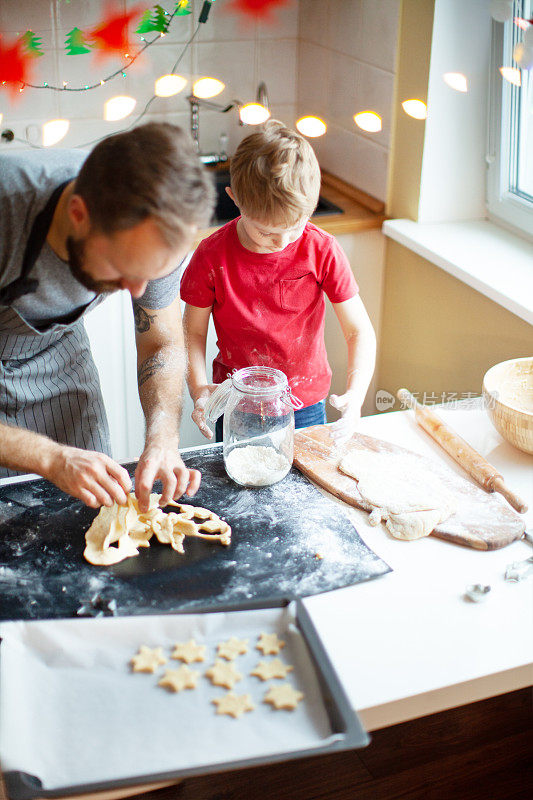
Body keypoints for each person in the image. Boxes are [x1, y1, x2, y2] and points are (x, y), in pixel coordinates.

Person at [0, 122, 215, 511]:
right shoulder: (6, 211)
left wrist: (162, 436)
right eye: (122, 269)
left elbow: (161, 340)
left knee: (88, 516)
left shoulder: (159, 227)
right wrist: (50, 458)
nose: (137, 290)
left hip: (57, 357)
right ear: (78, 214)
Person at [180, 119, 376, 442]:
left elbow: (359, 331)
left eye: (295, 227)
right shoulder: (212, 256)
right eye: (266, 232)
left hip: (305, 405)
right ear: (235, 199)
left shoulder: (322, 250)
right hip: (236, 405)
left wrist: (355, 396)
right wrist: (199, 388)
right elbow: (193, 332)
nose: (282, 242)